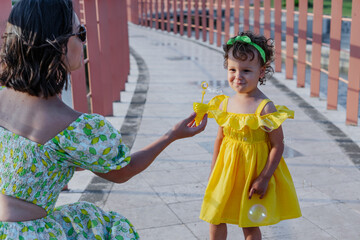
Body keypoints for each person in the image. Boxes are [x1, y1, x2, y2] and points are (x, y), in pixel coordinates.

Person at [0, 0, 207, 239]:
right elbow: (122, 171)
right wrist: (171, 135)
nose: (84, 42)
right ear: (59, 45)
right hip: (25, 234)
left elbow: (28, 158)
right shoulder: (76, 129)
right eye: (81, 33)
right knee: (106, 227)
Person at [194, 31, 301, 240]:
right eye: (232, 69)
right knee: (215, 216)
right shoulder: (224, 103)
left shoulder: (265, 107)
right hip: (226, 170)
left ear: (261, 72)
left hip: (253, 171)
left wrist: (264, 177)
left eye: (246, 70)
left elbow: (278, 145)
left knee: (249, 224)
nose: (238, 76)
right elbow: (220, 138)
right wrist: (213, 170)